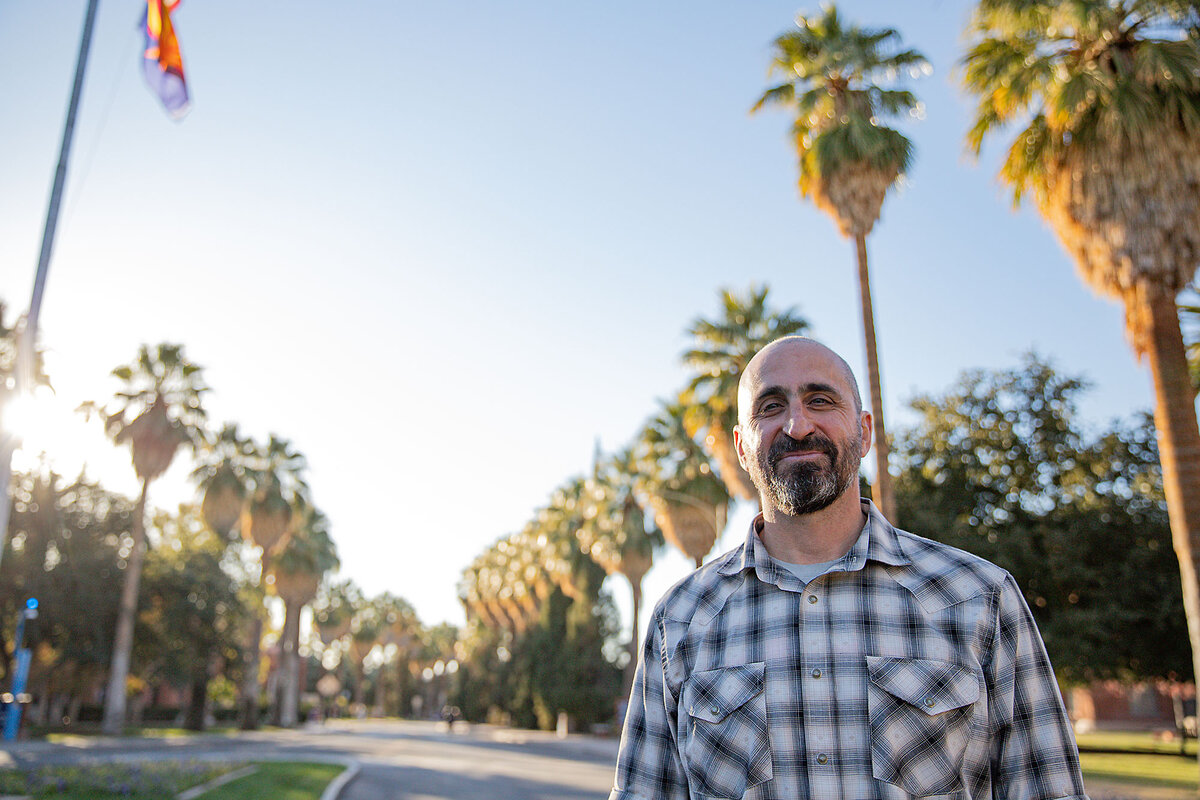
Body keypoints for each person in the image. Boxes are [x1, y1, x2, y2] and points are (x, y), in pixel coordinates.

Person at [609, 337, 1088, 800]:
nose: (797, 425)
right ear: (741, 447)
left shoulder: (980, 598)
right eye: (770, 406)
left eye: (820, 400)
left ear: (865, 433)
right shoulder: (680, 620)